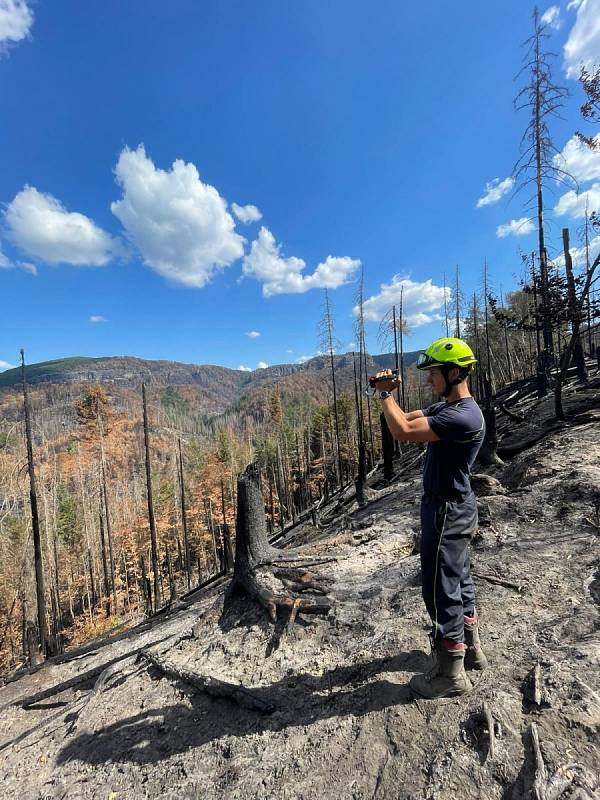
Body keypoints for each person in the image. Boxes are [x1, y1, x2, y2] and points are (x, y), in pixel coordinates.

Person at [373, 336, 488, 699]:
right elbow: (407, 418)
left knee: (441, 587)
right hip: (455, 505)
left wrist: (385, 395)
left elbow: (401, 431)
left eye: (433, 373)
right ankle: (470, 648)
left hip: (446, 511)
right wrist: (390, 393)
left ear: (454, 373)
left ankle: (450, 674)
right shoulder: (449, 409)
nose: (428, 380)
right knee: (459, 578)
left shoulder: (462, 416)